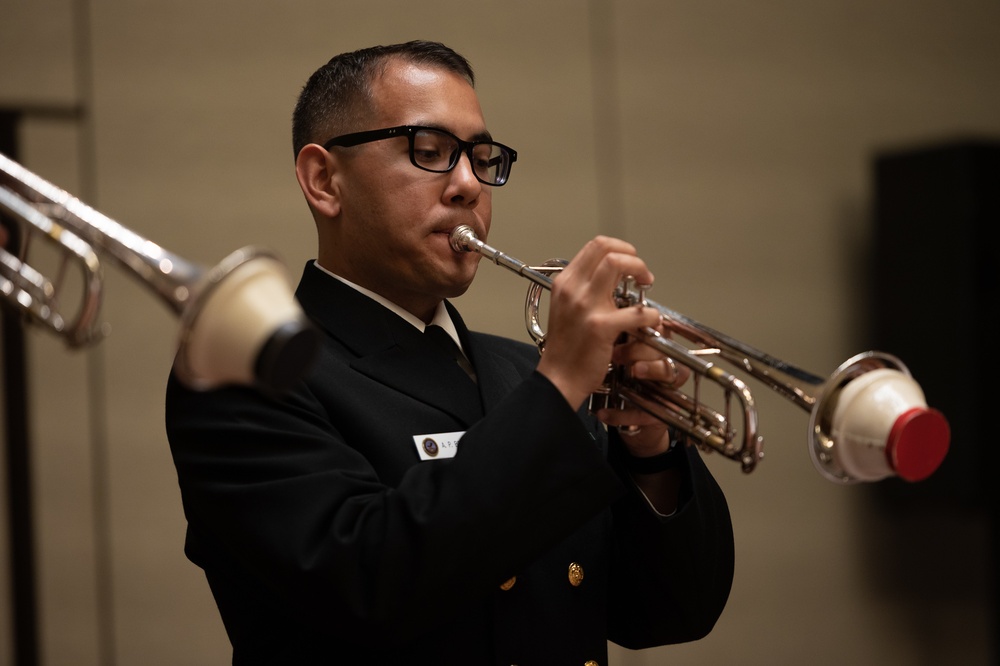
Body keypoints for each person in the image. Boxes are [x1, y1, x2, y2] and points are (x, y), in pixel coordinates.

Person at [165, 40, 734, 665]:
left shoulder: (526, 375)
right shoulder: (247, 372)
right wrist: (562, 383)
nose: (468, 185)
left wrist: (649, 449)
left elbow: (671, 611)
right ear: (325, 180)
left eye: (482, 158)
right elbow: (366, 586)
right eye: (429, 152)